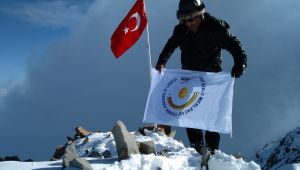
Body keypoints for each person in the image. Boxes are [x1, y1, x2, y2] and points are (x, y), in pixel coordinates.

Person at [155, 0, 247, 154]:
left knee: (212, 117)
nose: (187, 23)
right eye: (183, 20)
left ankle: (211, 151)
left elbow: (235, 46)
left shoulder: (215, 28)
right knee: (187, 113)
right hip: (189, 78)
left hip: (211, 79)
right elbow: (170, 45)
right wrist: (161, 62)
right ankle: (197, 148)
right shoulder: (180, 31)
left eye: (190, 19)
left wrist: (240, 63)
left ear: (200, 15)